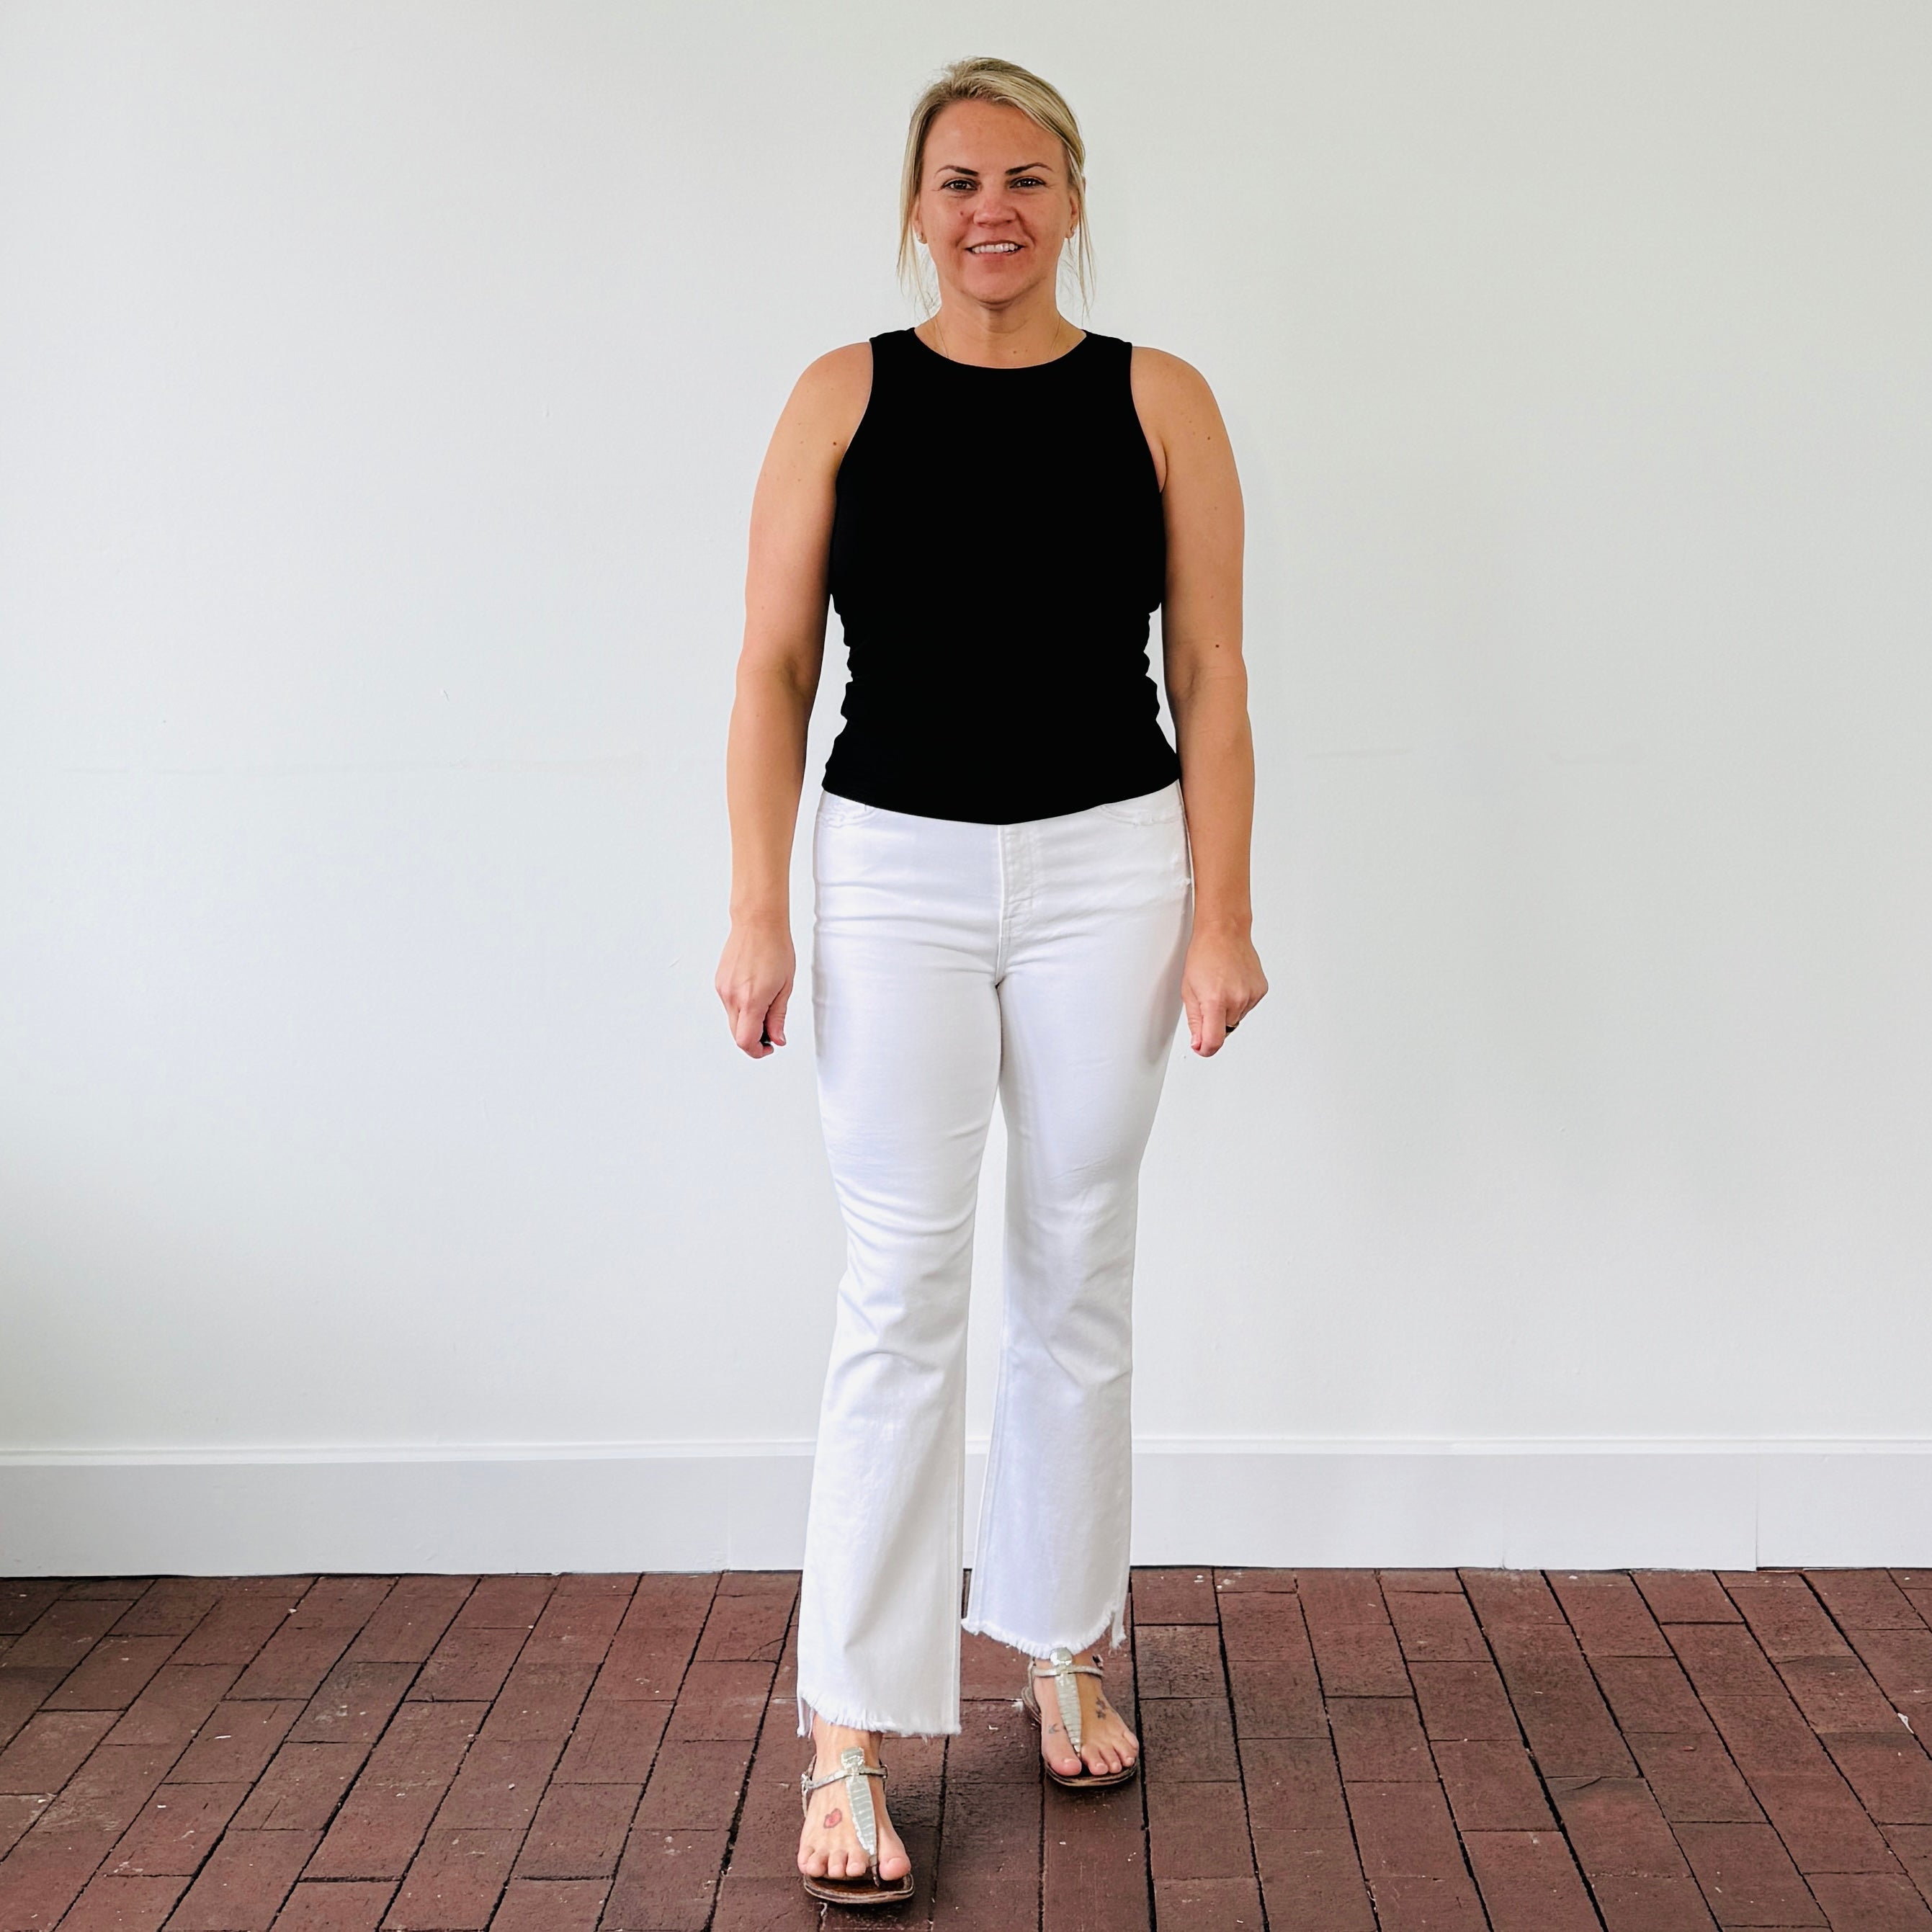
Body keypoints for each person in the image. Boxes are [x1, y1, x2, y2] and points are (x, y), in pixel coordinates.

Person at [714, 55, 1265, 1908]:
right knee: (901, 1286)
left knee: (1077, 1263)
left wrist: (1221, 913)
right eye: (959, 181)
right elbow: (773, 671)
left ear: (1073, 197)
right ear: (918, 207)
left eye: (1025, 178)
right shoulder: (843, 395)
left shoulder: (1161, 401)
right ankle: (849, 1728)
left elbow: (1213, 675)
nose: (992, 211)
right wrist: (760, 908)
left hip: (1113, 866)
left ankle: (1058, 1636)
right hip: (892, 872)